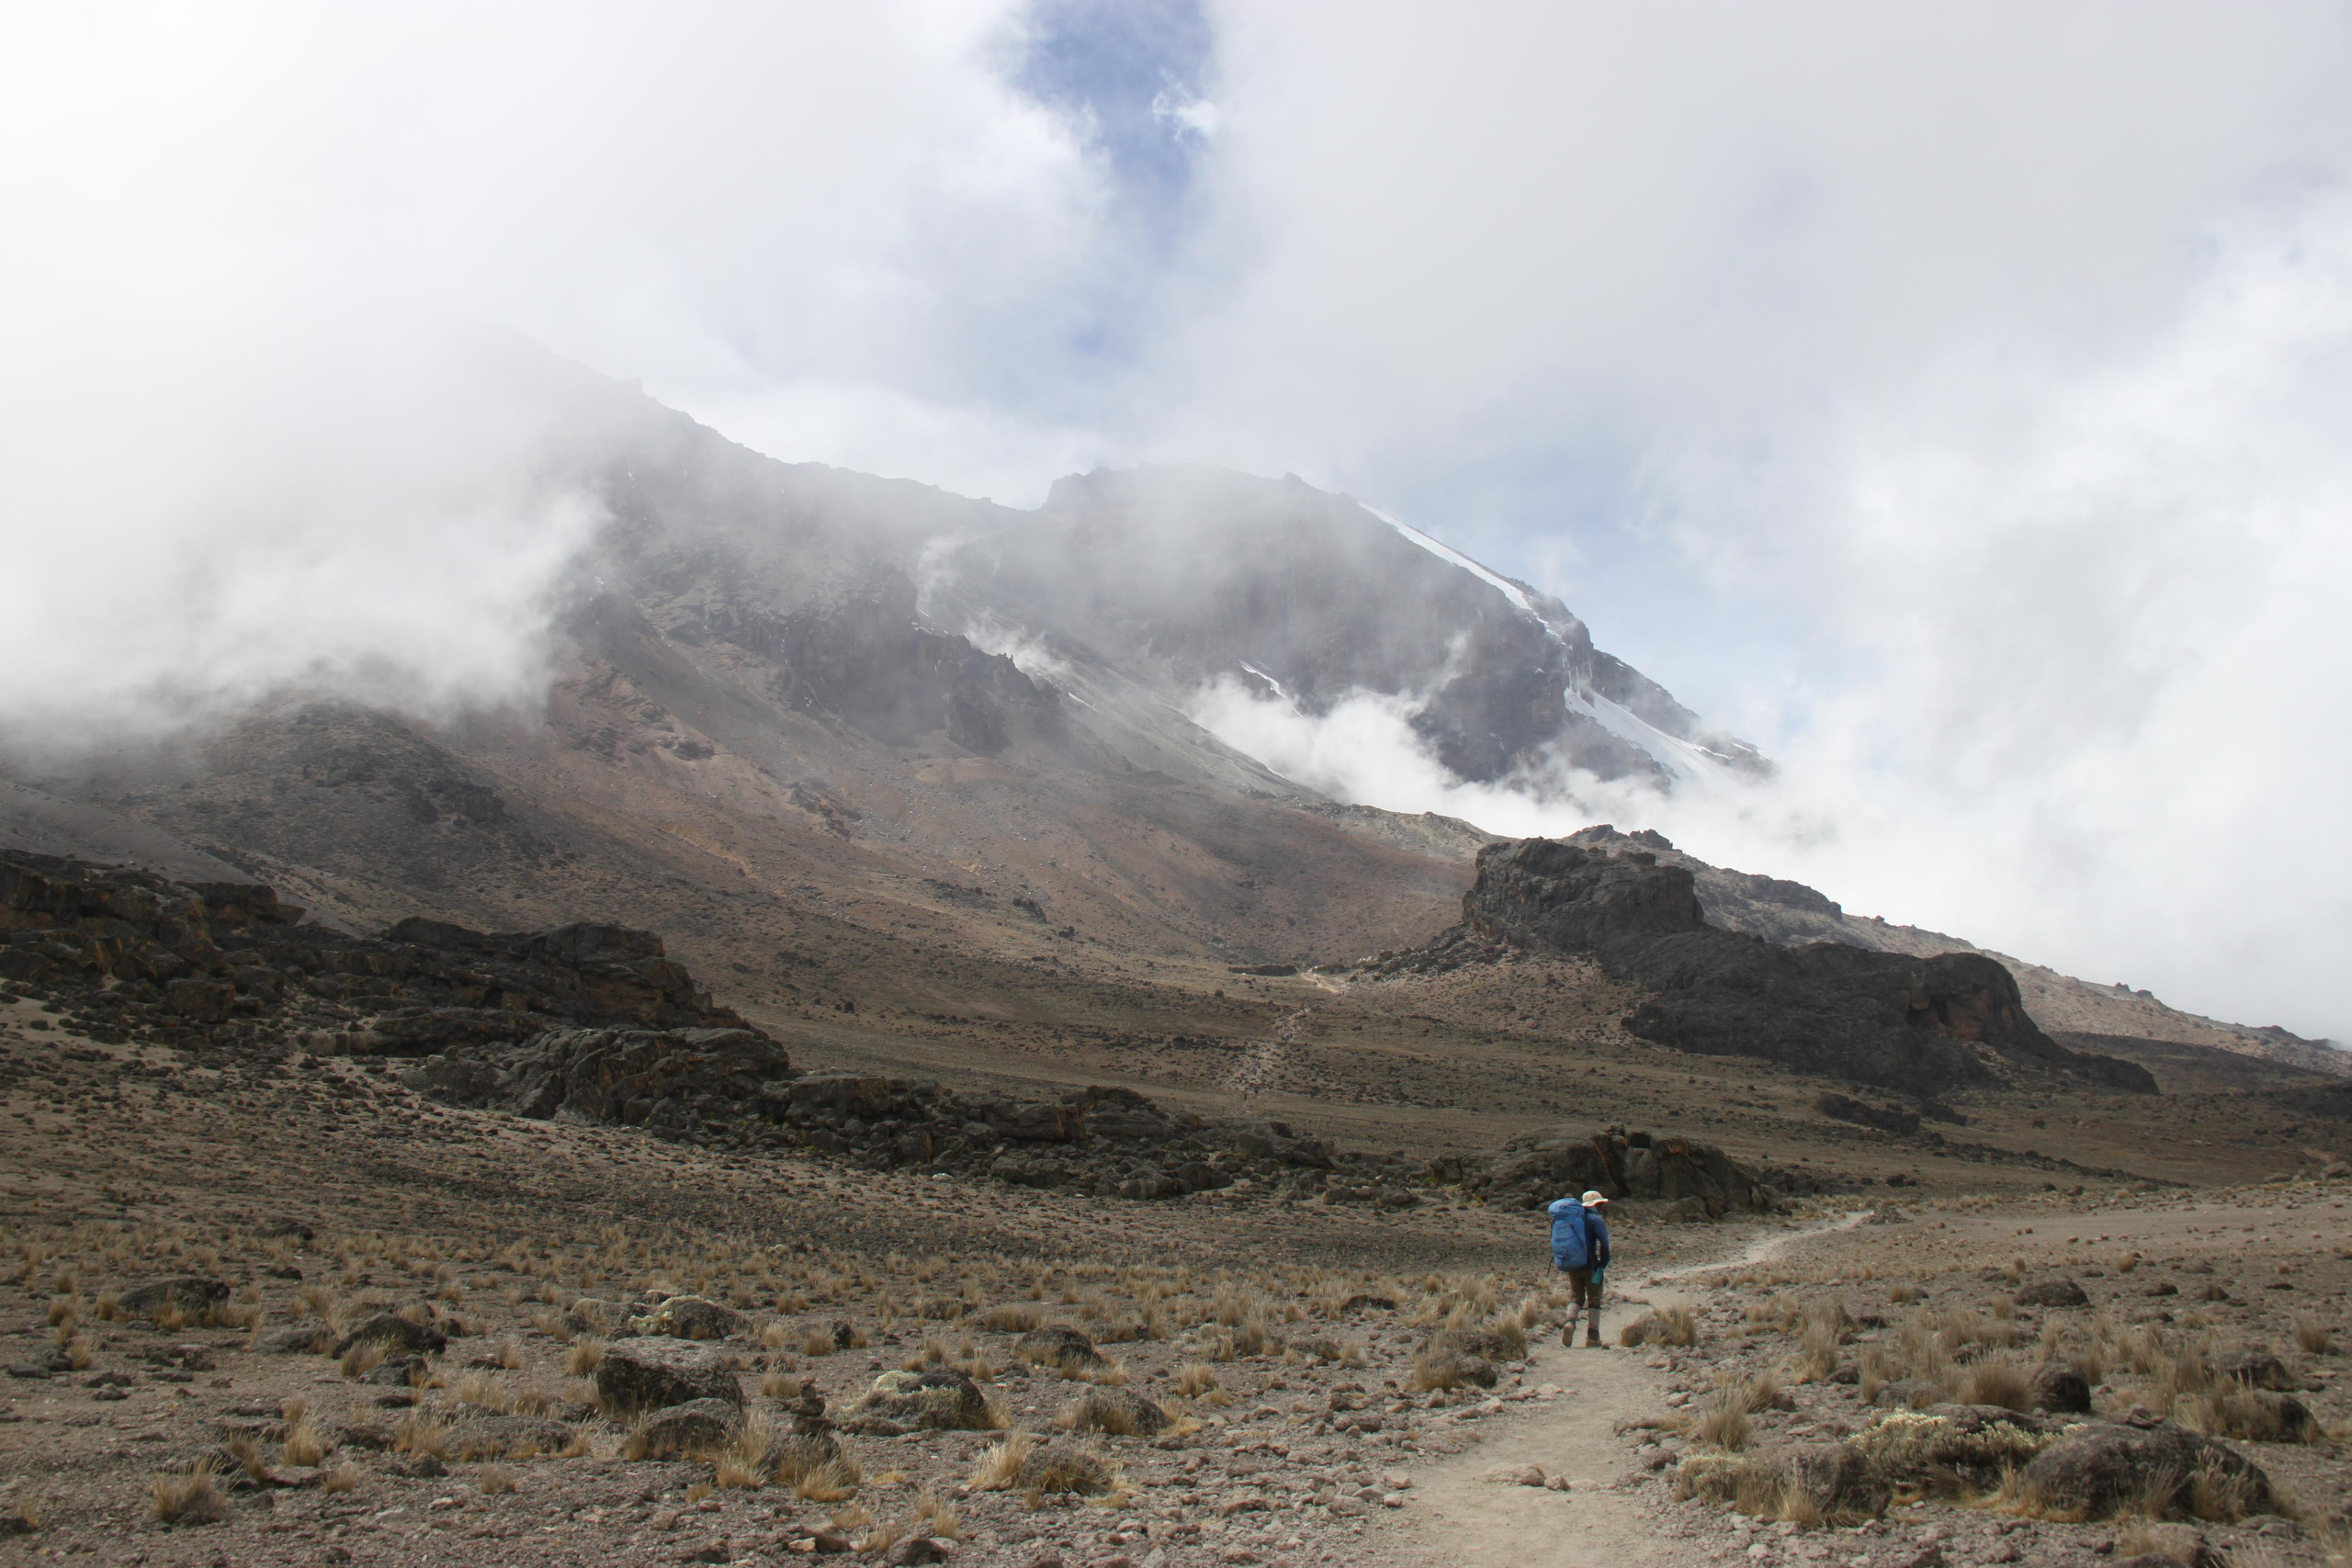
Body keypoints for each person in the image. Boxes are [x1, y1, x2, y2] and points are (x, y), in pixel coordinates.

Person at [1545, 1188, 1611, 1348]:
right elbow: (1604, 1244)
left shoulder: (1572, 1220)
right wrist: (1603, 1263)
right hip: (1592, 1266)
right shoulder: (1595, 1220)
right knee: (1594, 1299)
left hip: (1573, 1265)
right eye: (1600, 1204)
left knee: (1576, 1297)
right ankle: (1593, 1337)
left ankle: (1569, 1323)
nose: (1602, 1207)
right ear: (1596, 1205)